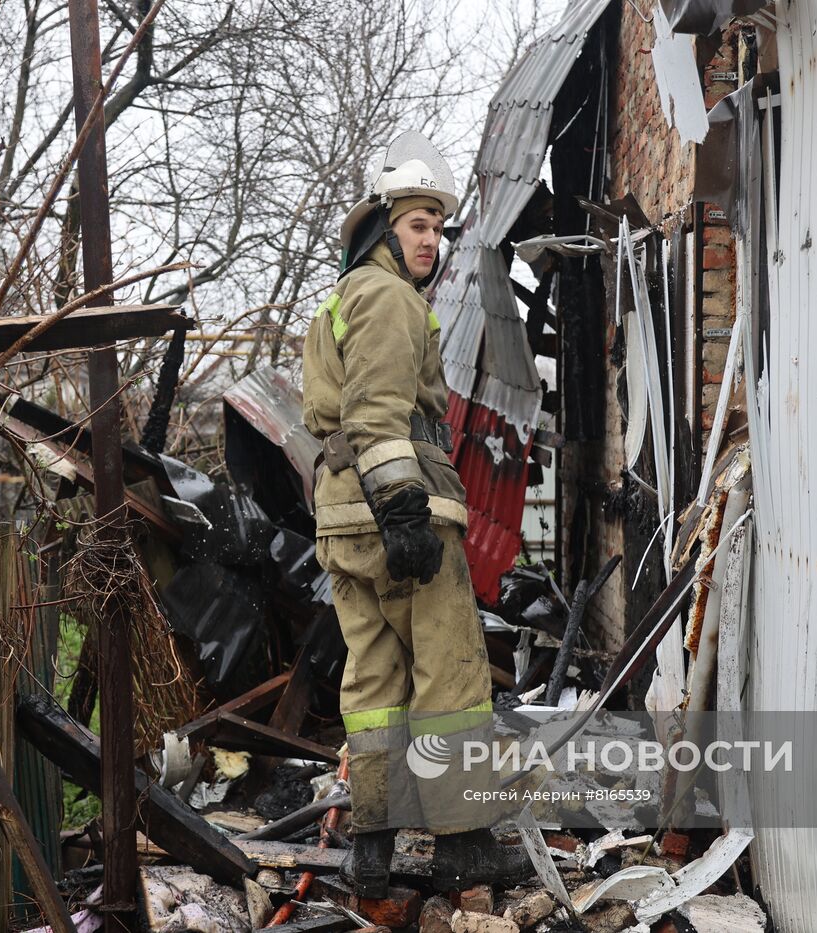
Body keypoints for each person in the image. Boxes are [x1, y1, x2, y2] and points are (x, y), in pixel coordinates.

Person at [302, 131, 531, 896]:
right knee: (451, 671)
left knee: (372, 681)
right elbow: (376, 411)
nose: (431, 240)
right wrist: (403, 509)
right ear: (383, 227)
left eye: (437, 226)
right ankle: (462, 844)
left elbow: (336, 417)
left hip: (339, 517)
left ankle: (372, 846)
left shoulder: (338, 300)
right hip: (395, 509)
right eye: (417, 225)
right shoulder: (389, 299)